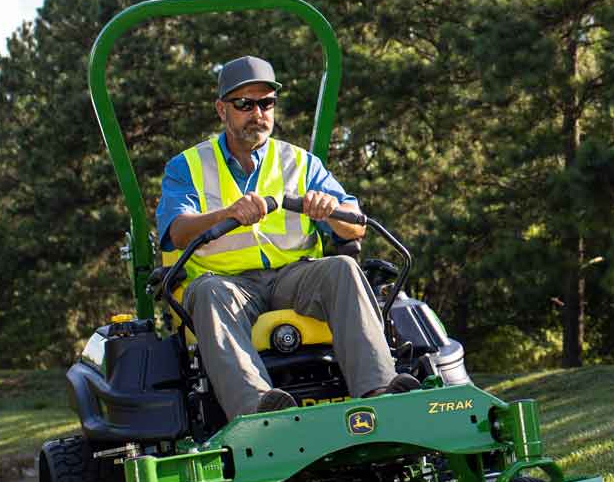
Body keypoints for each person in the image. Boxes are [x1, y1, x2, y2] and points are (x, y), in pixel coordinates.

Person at [155, 55, 418, 418]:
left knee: (342, 267)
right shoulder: (187, 166)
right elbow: (176, 231)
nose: (257, 113)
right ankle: (259, 411)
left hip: (294, 277)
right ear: (222, 110)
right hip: (229, 286)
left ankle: (379, 391)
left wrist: (331, 211)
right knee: (207, 291)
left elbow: (356, 226)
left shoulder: (302, 162)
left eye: (266, 103)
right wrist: (227, 214)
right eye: (244, 104)